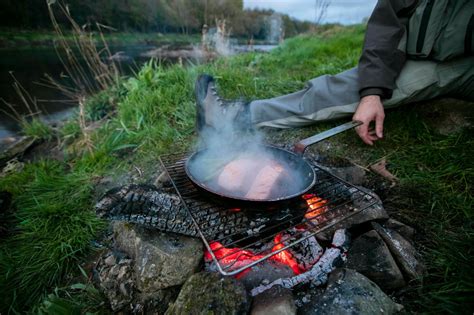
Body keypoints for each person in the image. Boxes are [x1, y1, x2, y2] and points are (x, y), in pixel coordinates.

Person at [195, 0, 474, 145]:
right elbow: (388, 21)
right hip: (425, 56)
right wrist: (372, 92)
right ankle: (232, 118)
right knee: (350, 88)